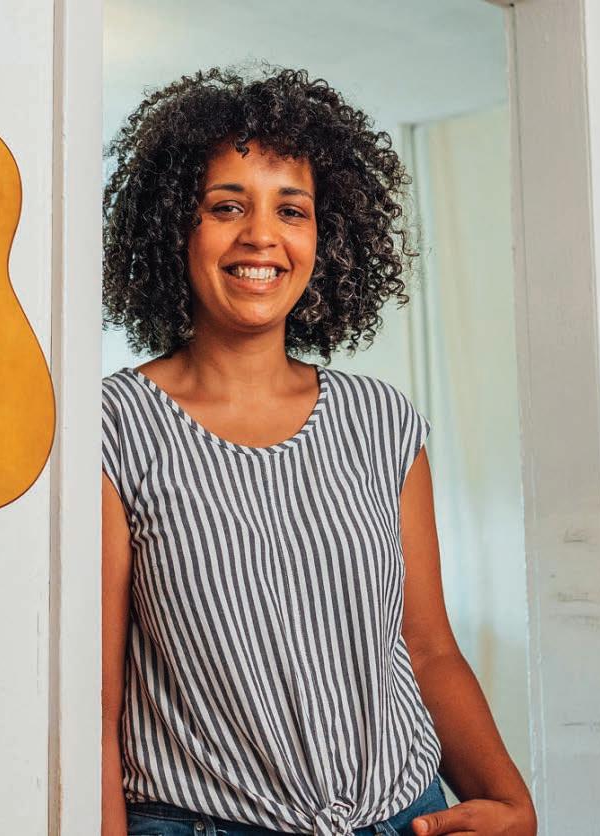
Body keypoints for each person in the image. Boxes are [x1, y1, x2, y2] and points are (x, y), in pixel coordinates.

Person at [101, 65, 536, 836]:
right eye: (226, 206)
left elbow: (428, 649)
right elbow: (95, 701)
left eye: (291, 210)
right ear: (173, 226)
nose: (260, 235)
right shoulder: (114, 426)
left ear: (324, 237)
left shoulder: (380, 421)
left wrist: (512, 802)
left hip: (403, 818)